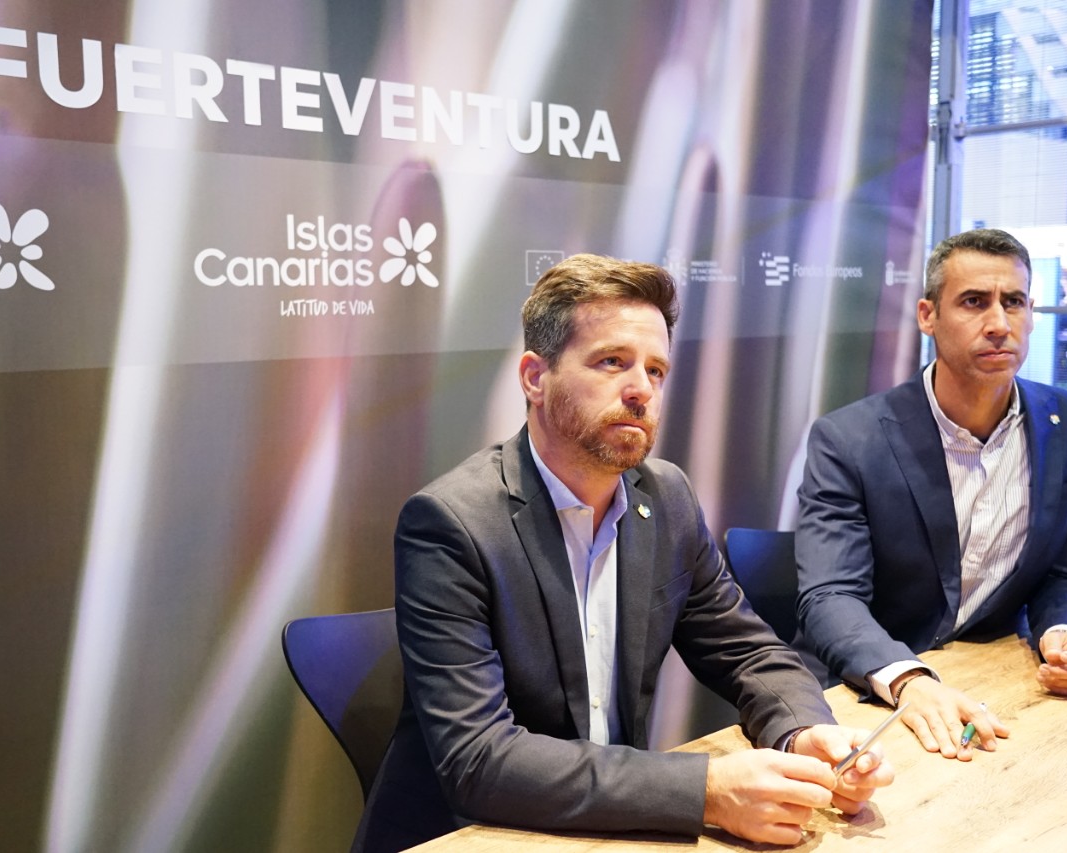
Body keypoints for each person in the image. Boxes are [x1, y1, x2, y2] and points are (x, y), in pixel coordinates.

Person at [359, 253, 894, 852]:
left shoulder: (666, 497)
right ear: (535, 378)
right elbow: (479, 759)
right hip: (470, 835)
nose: (641, 389)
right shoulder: (451, 523)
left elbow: (747, 652)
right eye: (612, 362)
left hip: (613, 826)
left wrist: (804, 733)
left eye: (656, 369)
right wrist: (707, 790)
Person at [795, 228, 1067, 762]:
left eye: (1014, 302)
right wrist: (909, 679)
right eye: (974, 302)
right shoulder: (849, 439)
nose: (999, 324)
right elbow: (830, 596)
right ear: (928, 316)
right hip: (863, 692)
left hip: (992, 680)